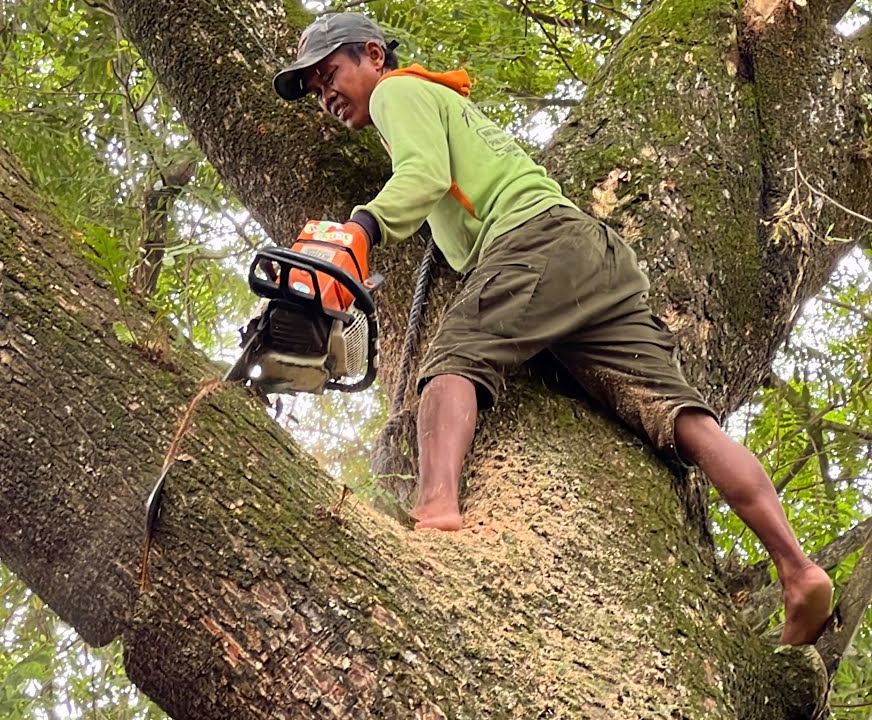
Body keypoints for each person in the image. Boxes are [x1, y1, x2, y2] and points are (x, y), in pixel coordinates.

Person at [273, 12, 834, 646]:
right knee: (683, 419)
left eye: (330, 74)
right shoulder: (435, 101)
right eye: (315, 89)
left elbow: (422, 175)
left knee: (452, 359)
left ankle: (434, 516)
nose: (325, 94)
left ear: (374, 56)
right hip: (591, 257)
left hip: (532, 241)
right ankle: (798, 570)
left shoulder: (398, 92)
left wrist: (362, 228)